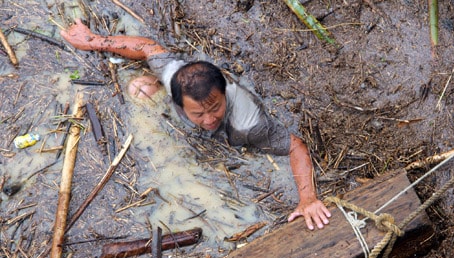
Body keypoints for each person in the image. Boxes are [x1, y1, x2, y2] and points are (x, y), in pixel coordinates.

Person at [60, 19, 331, 230]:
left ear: (224, 93)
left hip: (238, 135)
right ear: (179, 104)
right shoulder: (174, 77)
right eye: (198, 114)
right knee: (139, 88)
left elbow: (295, 146)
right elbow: (147, 47)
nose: (209, 119)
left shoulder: (249, 124)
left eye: (215, 108)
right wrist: (94, 41)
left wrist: (307, 198)